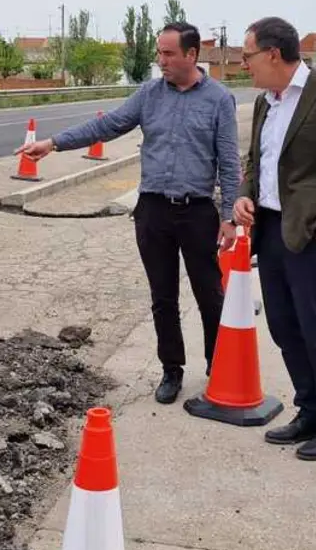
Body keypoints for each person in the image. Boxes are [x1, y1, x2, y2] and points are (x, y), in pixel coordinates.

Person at [16, 21, 241, 404]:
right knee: (162, 296)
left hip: (198, 212)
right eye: (159, 52)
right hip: (153, 210)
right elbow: (108, 125)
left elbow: (229, 160)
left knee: (209, 294)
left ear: (191, 54)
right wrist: (54, 143)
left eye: (169, 53)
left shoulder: (219, 99)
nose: (161, 60)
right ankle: (171, 370)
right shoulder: (150, 94)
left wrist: (229, 216)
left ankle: (216, 366)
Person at [233, 16, 316, 461]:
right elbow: (257, 160)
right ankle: (309, 410)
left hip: (309, 234)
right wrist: (245, 196)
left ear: (273, 54)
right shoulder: (265, 103)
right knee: (284, 326)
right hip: (270, 229)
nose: (243, 64)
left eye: (248, 55)